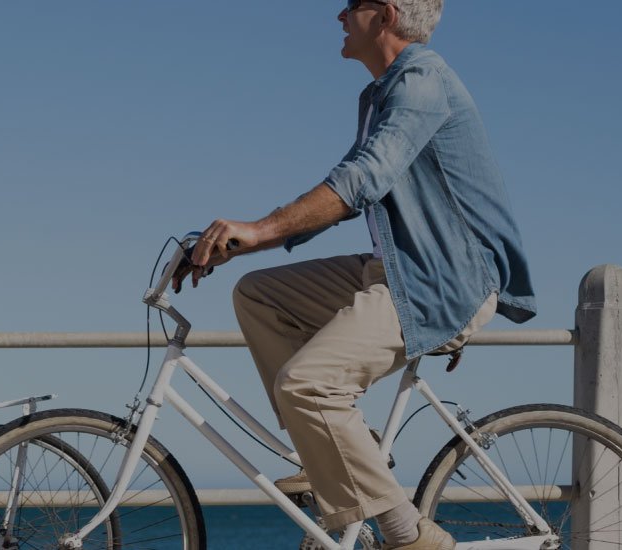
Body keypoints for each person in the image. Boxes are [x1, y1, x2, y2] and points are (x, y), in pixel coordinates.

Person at [174, 2, 536, 548]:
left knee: (308, 384)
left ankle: (407, 534)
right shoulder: (381, 93)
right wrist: (239, 247)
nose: (338, 15)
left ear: (385, 14)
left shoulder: (421, 82)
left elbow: (362, 180)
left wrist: (255, 229)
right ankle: (341, 449)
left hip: (443, 282)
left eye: (350, 5)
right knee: (258, 294)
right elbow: (343, 189)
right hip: (400, 269)